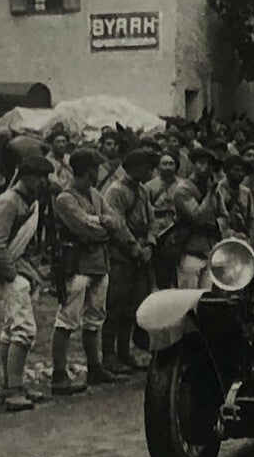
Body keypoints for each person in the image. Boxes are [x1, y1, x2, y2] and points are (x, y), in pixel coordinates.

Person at [0, 152, 54, 412]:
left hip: (23, 270)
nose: (42, 182)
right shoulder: (9, 202)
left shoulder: (31, 202)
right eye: (37, 176)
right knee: (24, 330)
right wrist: (13, 276)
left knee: (12, 329)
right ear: (24, 176)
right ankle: (13, 389)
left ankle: (12, 384)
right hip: (11, 272)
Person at [50, 146, 122, 393]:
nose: (96, 174)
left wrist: (101, 223)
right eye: (94, 169)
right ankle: (59, 374)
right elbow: (84, 228)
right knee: (67, 319)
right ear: (87, 170)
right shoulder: (65, 198)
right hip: (76, 265)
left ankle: (95, 368)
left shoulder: (95, 195)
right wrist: (103, 225)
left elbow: (116, 221)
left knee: (95, 319)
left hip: (98, 263)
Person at [102, 146, 157, 372]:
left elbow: (151, 219)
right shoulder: (116, 191)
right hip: (121, 257)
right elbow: (118, 225)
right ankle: (109, 355)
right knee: (114, 306)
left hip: (140, 255)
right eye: (147, 166)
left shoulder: (142, 191)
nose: (150, 171)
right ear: (134, 167)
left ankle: (124, 352)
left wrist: (151, 243)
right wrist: (135, 249)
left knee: (131, 308)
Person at [168, 148, 222, 289]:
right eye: (201, 163)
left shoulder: (215, 190)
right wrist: (209, 194)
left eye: (209, 164)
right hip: (190, 251)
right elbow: (197, 216)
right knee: (189, 301)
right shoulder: (184, 190)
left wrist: (217, 225)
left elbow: (224, 216)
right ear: (193, 165)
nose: (205, 168)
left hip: (210, 251)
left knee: (208, 299)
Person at [147, 152, 182, 289]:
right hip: (158, 232)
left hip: (177, 231)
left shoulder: (182, 185)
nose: (168, 167)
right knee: (160, 272)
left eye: (171, 164)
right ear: (158, 166)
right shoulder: (150, 186)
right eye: (164, 164)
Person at [215, 152, 254, 243]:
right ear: (227, 171)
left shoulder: (246, 192)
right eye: (236, 170)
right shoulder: (218, 190)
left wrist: (249, 239)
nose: (240, 174)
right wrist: (232, 235)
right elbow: (217, 219)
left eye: (242, 171)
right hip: (223, 241)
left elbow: (251, 219)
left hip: (243, 240)